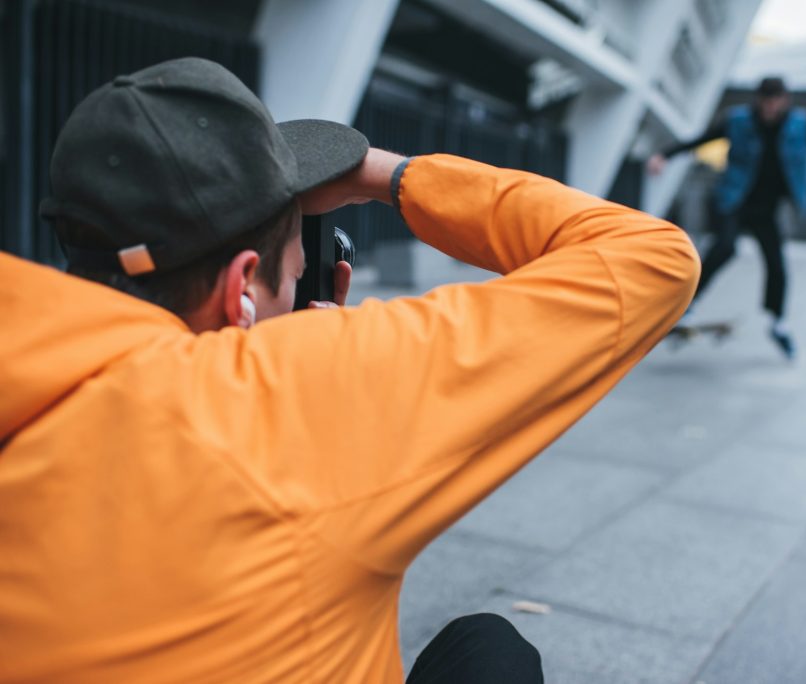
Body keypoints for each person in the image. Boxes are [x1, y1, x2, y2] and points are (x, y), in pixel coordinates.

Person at [0, 57, 699, 682]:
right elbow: (652, 258)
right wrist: (387, 177)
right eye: (291, 271)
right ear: (239, 287)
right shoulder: (290, 407)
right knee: (491, 657)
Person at [648, 76, 806, 358]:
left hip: (766, 210)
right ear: (758, 100)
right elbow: (700, 139)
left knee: (776, 263)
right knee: (724, 248)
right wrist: (664, 155)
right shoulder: (738, 121)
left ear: (784, 101)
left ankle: (778, 321)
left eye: (775, 102)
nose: (770, 108)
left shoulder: (800, 125)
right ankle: (688, 306)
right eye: (765, 102)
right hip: (733, 201)